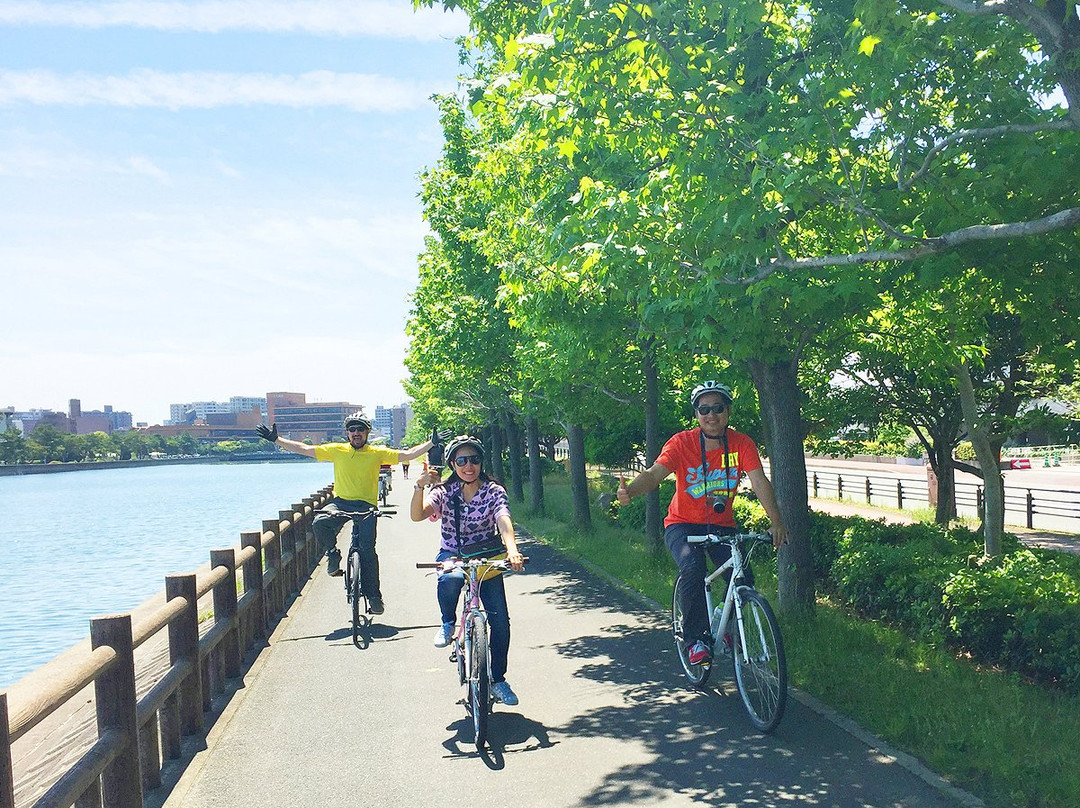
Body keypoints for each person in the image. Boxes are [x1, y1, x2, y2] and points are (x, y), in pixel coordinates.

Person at [616, 381, 788, 667]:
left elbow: (759, 481)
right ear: (696, 414)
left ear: (728, 411)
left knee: (743, 577)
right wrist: (630, 491)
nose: (711, 415)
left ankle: (726, 624)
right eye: (704, 409)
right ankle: (695, 639)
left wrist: (777, 521)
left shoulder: (741, 443)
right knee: (693, 568)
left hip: (721, 525)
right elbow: (656, 473)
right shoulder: (682, 443)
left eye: (718, 408)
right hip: (682, 525)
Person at [255, 414, 441, 615]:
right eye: (352, 429)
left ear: (367, 432)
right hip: (340, 502)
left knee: (368, 552)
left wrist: (431, 443)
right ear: (347, 433)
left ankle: (373, 596)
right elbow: (304, 449)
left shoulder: (376, 453)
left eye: (360, 429)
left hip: (366, 505)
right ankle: (333, 553)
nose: (356, 433)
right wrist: (276, 439)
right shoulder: (337, 450)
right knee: (320, 522)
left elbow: (408, 454)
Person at [410, 435, 525, 706]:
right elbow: (417, 515)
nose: (468, 466)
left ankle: (498, 679)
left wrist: (512, 550)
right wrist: (419, 487)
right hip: (453, 553)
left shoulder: (494, 490)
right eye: (461, 461)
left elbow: (503, 518)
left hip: (488, 555)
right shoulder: (445, 491)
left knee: (500, 623)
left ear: (481, 462)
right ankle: (448, 623)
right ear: (452, 464)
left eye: (474, 460)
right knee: (449, 578)